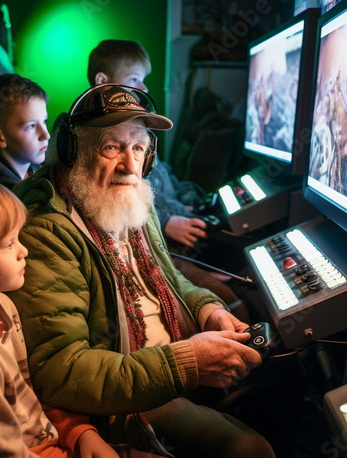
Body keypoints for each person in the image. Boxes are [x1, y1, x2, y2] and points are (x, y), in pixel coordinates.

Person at [8, 84, 300, 458]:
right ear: (75, 152)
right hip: (127, 398)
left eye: (140, 148)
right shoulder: (47, 231)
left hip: (177, 354)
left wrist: (208, 312)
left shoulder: (131, 198)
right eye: (112, 147)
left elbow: (171, 281)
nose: (130, 164)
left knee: (288, 371)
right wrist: (186, 363)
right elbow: (61, 372)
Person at [0, 169, 247, 458]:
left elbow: (34, 397)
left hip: (68, 452)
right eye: (5, 244)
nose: (24, 250)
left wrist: (82, 434)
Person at [86, 39, 251, 322]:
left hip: (171, 224)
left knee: (240, 258)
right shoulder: (97, 134)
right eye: (135, 79)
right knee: (233, 301)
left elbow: (164, 179)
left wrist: (189, 203)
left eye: (144, 80)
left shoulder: (137, 129)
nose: (144, 88)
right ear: (103, 80)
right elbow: (116, 201)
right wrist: (166, 221)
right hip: (158, 238)